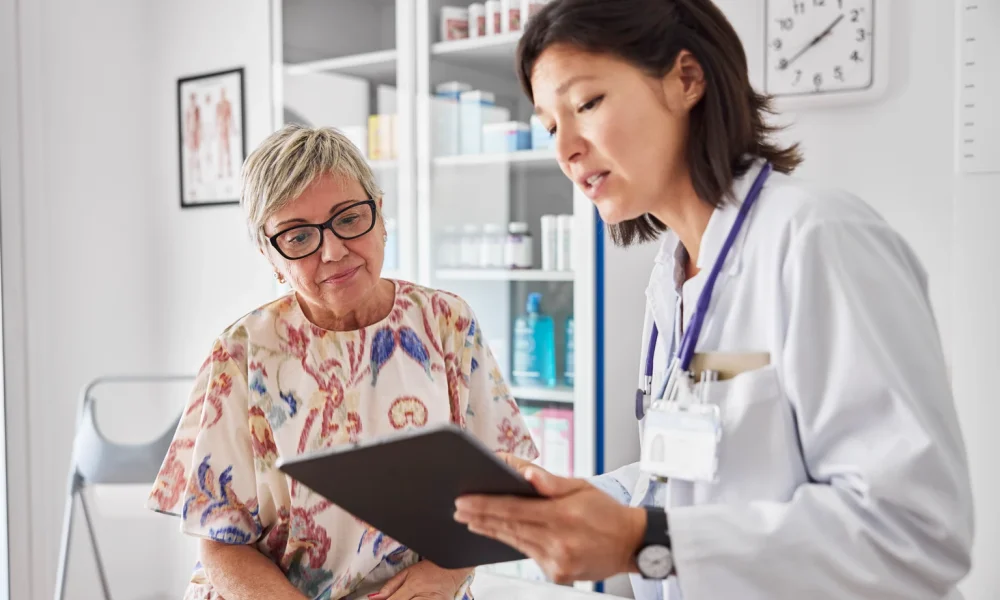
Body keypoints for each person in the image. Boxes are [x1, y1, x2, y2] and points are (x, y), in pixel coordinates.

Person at [453, 1, 974, 598]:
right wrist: (581, 503)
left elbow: (913, 530)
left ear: (686, 79)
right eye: (550, 126)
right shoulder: (675, 275)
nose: (566, 149)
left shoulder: (818, 239)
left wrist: (641, 540)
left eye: (587, 103)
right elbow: (696, 474)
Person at [147, 124, 538, 600]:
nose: (333, 251)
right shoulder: (242, 352)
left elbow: (502, 481)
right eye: (298, 236)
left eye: (349, 218)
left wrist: (448, 574)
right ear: (271, 255)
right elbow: (219, 541)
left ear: (380, 215)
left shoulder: (446, 322)